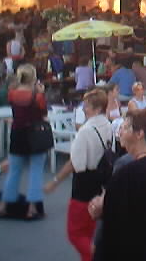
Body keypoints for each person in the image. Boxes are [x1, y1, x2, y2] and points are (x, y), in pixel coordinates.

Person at [45, 89, 112, 261]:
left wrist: (55, 180)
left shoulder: (86, 131)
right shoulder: (108, 125)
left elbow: (75, 163)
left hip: (84, 185)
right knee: (90, 229)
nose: (83, 109)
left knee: (75, 232)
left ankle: (96, 255)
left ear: (97, 108)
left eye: (87, 106)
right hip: (102, 181)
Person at [93, 109, 146, 261]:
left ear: (139, 134)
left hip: (123, 249)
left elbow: (111, 214)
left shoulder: (126, 172)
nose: (120, 131)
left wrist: (99, 206)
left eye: (126, 128)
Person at [0, 64, 48, 220]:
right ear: (33, 77)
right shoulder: (37, 97)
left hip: (17, 135)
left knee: (14, 171)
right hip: (34, 136)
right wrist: (41, 93)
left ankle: (2, 205)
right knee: (36, 171)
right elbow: (43, 115)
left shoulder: (12, 94)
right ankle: (32, 208)